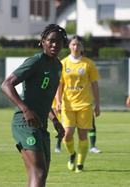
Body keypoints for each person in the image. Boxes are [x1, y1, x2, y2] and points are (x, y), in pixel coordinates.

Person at [0, 24, 67, 187]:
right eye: (51, 41)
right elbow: (6, 84)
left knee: (38, 174)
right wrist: (25, 109)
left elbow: (44, 99)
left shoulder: (58, 66)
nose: (55, 45)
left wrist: (55, 120)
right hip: (25, 123)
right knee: (40, 171)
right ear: (43, 42)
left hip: (41, 124)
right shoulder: (35, 61)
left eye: (59, 41)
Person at [56, 35, 100, 173]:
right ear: (69, 46)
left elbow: (95, 85)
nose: (75, 47)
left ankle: (80, 165)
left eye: (78, 45)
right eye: (73, 44)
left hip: (84, 104)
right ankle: (72, 155)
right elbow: (59, 84)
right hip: (67, 105)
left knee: (82, 136)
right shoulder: (63, 63)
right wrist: (58, 101)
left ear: (82, 47)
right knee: (67, 134)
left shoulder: (88, 64)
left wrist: (97, 104)